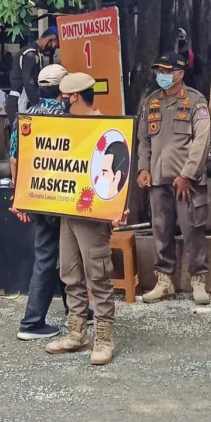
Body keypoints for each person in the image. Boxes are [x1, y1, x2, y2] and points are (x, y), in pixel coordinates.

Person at [45, 71, 123, 365]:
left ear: (73, 97)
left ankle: (104, 337)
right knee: (70, 273)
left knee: (98, 275)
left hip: (94, 214)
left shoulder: (105, 128)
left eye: (65, 97)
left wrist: (117, 206)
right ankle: (76, 332)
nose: (62, 102)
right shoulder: (66, 128)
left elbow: (120, 172)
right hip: (68, 211)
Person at [137, 52, 211, 305]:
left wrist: (187, 175)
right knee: (161, 231)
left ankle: (198, 280)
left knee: (193, 230)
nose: (161, 76)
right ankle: (164, 280)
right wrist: (143, 169)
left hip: (186, 183)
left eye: (166, 72)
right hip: (158, 180)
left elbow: (201, 141)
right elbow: (144, 140)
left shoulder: (195, 101)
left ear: (179, 74)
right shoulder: (151, 102)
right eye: (158, 71)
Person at [9, 64, 70, 339]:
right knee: (55, 256)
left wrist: (19, 197)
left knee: (55, 254)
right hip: (60, 197)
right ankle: (32, 322)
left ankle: (76, 309)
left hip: (34, 194)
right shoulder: (65, 118)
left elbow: (14, 157)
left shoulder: (25, 117)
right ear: (63, 89)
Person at [8, 27, 59, 120]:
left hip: (20, 101)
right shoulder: (30, 54)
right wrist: (39, 107)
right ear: (50, 39)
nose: (54, 50)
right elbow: (29, 83)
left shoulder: (34, 53)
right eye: (55, 46)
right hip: (20, 102)